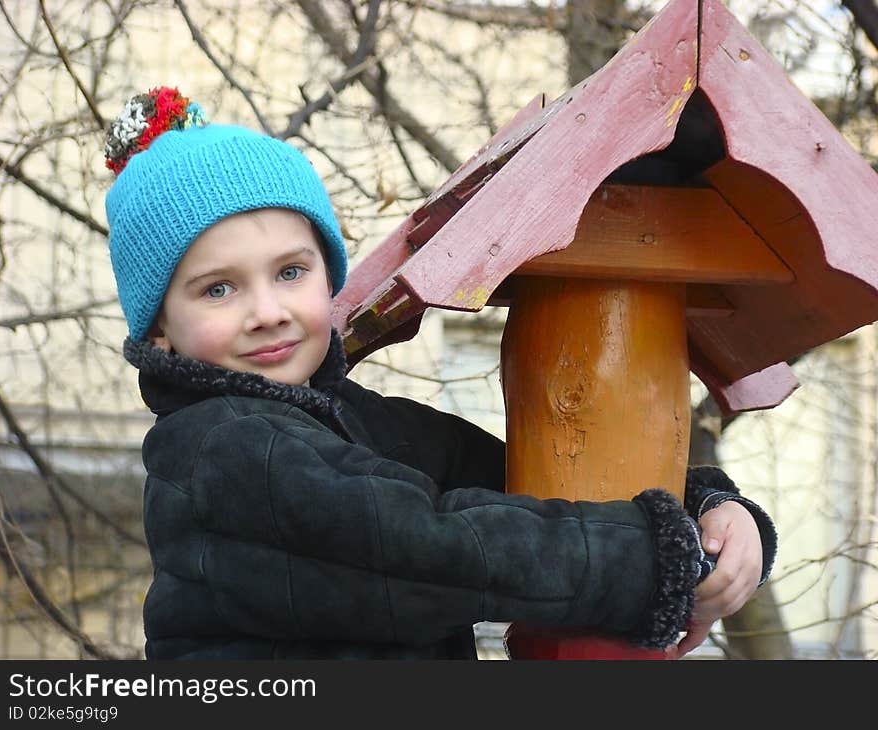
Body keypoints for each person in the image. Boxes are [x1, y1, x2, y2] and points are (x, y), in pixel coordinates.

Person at [104, 86, 776, 660]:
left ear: (325, 273)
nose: (267, 312)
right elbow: (422, 546)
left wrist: (708, 511)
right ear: (159, 328)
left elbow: (528, 479)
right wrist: (655, 556)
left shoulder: (360, 422)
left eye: (289, 272)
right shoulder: (222, 449)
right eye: (218, 290)